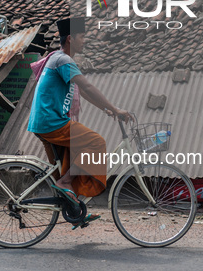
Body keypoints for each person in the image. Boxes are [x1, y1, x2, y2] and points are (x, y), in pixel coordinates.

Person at [27, 17, 132, 226]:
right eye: (82, 37)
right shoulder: (63, 60)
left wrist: (107, 110)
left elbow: (83, 92)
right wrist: (115, 108)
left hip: (45, 122)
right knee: (96, 142)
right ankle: (65, 182)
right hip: (52, 123)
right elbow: (88, 87)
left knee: (67, 164)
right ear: (70, 39)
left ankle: (74, 210)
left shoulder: (57, 58)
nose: (85, 41)